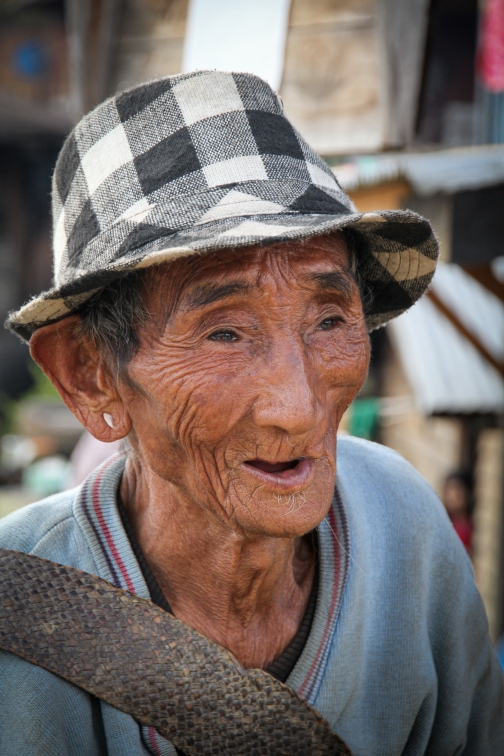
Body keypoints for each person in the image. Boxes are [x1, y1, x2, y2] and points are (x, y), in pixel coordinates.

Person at [0, 71, 502, 755]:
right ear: (90, 376)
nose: (297, 410)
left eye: (330, 319)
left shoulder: (404, 526)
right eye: (225, 333)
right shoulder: (20, 608)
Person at [443, 471, 474, 555]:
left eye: (456, 490)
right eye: (448, 490)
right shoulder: (444, 523)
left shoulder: (470, 530)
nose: (451, 496)